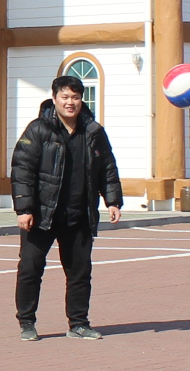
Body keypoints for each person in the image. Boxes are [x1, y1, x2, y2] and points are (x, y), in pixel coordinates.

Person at [8, 74, 123, 341]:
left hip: (79, 213)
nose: (70, 102)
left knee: (80, 272)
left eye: (76, 97)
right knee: (30, 268)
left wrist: (113, 200)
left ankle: (79, 323)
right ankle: (27, 322)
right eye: (65, 97)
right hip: (42, 214)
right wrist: (24, 209)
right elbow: (22, 169)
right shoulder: (38, 129)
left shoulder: (93, 131)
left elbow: (107, 167)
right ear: (55, 98)